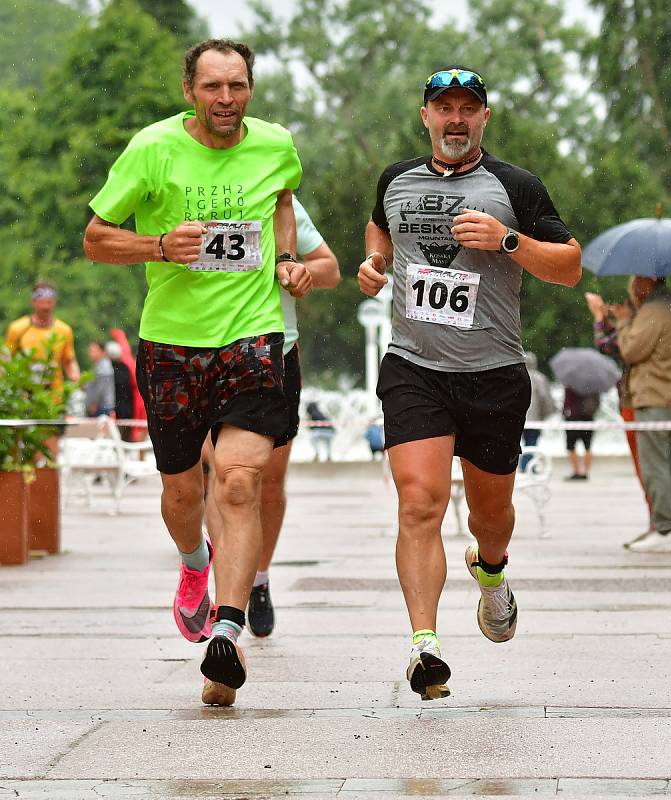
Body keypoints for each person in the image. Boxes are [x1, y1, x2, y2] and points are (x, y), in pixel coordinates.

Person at [82, 39, 310, 707]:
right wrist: (157, 245)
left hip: (251, 336)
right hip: (172, 345)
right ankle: (193, 564)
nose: (225, 99)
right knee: (184, 492)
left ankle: (229, 631)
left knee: (240, 483)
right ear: (190, 91)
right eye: (212, 86)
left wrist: (290, 256)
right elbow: (96, 238)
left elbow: (284, 200)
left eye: (236, 85)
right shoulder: (152, 149)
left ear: (251, 88)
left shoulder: (275, 145)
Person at [357, 65, 581, 699]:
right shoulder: (396, 181)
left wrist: (509, 240)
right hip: (414, 369)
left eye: (468, 108)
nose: (455, 118)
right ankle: (424, 646)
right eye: (443, 107)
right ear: (425, 116)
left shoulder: (516, 185)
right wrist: (375, 262)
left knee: (492, 518)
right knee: (420, 503)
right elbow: (380, 224)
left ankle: (492, 573)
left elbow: (569, 266)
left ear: (485, 117)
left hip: (493, 375)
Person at [203, 197, 339, 639]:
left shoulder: (277, 196)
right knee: (222, 477)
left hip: (271, 352)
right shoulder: (184, 184)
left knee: (266, 481)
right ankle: (226, 590)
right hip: (200, 350)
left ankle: (257, 578)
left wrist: (299, 271)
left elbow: (330, 269)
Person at [612, 277, 671, 553]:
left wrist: (625, 321)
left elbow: (630, 350)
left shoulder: (654, 310)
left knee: (655, 465)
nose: (632, 287)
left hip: (653, 394)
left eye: (635, 281)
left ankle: (663, 529)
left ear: (646, 282)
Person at [585, 291, 653, 542]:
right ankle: (660, 523)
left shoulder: (642, 322)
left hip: (639, 402)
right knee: (651, 467)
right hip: (642, 401)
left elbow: (611, 345)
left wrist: (602, 318)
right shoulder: (650, 318)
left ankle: (660, 524)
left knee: (648, 467)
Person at [4, 280, 80, 398]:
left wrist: (77, 383)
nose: (46, 306)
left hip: (53, 398)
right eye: (42, 302)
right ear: (33, 301)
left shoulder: (64, 330)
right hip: (24, 396)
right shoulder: (17, 328)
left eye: (49, 302)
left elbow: (69, 361)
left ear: (55, 302)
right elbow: (5, 361)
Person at [520, 352, 553, 471]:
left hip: (516, 417)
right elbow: (545, 399)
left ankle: (519, 468)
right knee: (531, 443)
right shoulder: (540, 378)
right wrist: (545, 415)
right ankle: (527, 467)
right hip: (534, 419)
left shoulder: (515, 376)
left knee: (515, 445)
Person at [562, 386, 599, 480]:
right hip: (588, 417)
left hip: (572, 417)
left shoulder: (570, 383)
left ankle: (576, 471)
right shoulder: (593, 384)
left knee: (571, 445)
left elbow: (567, 402)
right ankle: (586, 472)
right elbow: (597, 402)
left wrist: (564, 412)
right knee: (588, 446)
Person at [105, 340, 134, 440]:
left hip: (118, 409)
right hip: (126, 408)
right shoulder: (125, 368)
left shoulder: (110, 369)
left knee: (118, 439)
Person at [84, 341, 116, 417]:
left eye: (94, 351)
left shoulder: (104, 367)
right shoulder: (98, 366)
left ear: (103, 352)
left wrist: (94, 403)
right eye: (90, 351)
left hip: (101, 407)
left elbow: (101, 388)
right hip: (99, 407)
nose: (91, 353)